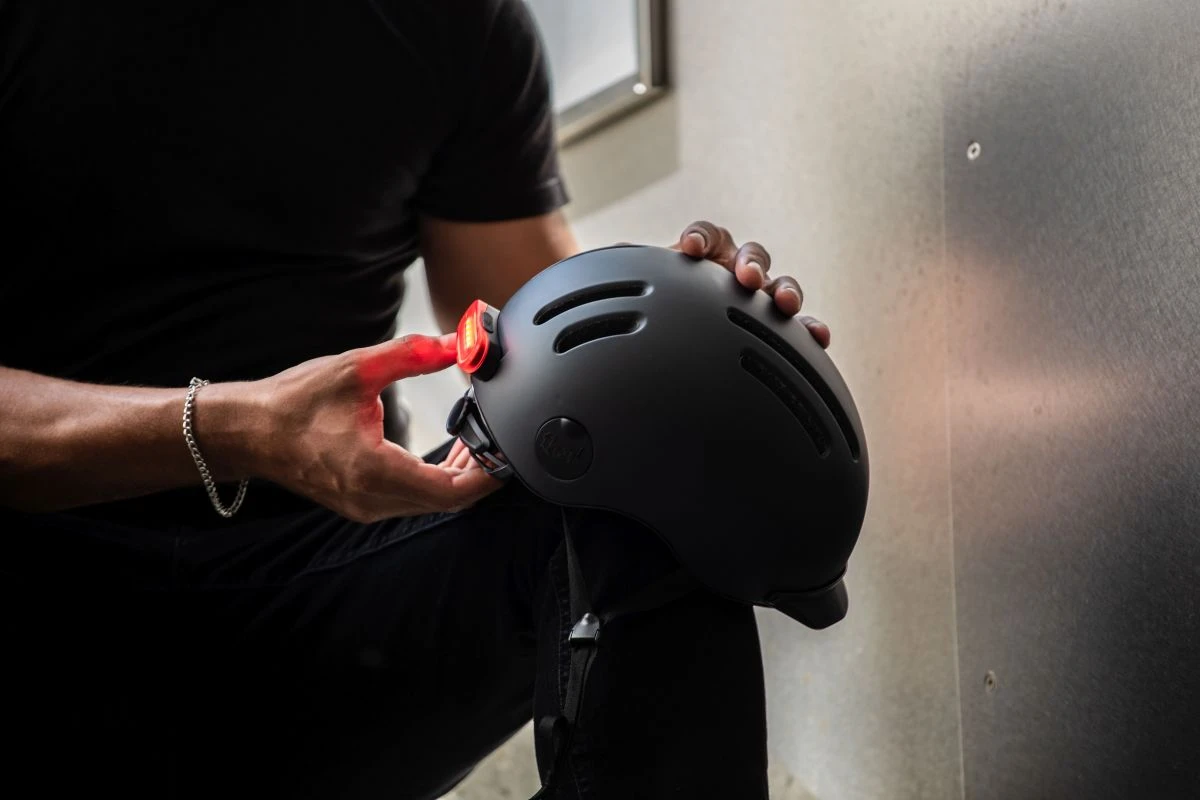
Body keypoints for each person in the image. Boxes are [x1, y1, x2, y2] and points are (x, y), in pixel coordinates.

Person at [0, 1, 831, 797]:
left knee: (641, 456)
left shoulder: (451, 20)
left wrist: (680, 338)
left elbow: (542, 332)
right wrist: (235, 428)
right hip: (48, 592)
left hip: (329, 590)